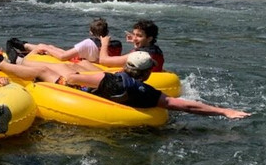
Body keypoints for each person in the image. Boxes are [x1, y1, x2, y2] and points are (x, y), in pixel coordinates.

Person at [63, 50, 249, 120]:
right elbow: (186, 106)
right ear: (148, 72)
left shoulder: (107, 78)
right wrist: (225, 111)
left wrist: (70, 78)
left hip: (84, 103)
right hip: (118, 116)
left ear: (126, 66)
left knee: (51, 71)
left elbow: (71, 79)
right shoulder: (145, 92)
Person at [8, 18, 111, 64]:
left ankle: (23, 48)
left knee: (44, 46)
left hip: (77, 61)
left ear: (91, 33)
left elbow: (63, 57)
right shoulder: (109, 43)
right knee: (52, 47)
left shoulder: (88, 43)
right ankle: (23, 45)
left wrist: (46, 49)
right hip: (85, 59)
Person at [90, 19, 165, 72]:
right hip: (146, 78)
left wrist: (104, 44)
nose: (134, 38)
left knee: (82, 63)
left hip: (125, 85)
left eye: (139, 36)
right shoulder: (154, 49)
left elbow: (103, 60)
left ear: (149, 39)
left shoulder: (138, 56)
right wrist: (136, 41)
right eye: (134, 34)